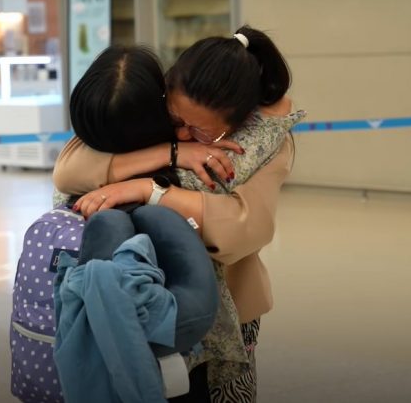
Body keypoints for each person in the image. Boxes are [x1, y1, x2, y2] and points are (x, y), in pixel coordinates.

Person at [54, 26, 300, 402]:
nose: (182, 134)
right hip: (143, 297)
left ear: (238, 121)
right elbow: (69, 169)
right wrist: (170, 154)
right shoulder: (157, 109)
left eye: (198, 131)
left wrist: (145, 190)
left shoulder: (263, 144)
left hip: (227, 304)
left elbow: (241, 229)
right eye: (175, 120)